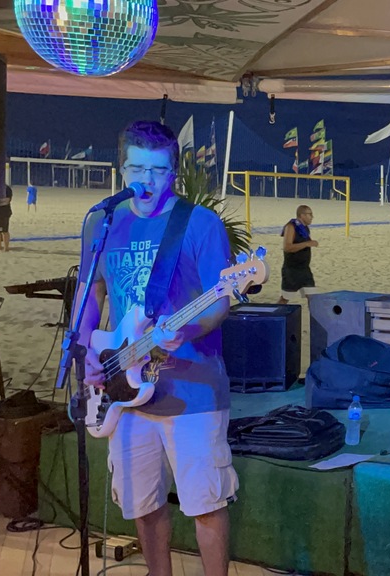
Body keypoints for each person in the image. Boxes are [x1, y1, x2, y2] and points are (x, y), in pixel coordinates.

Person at [74, 121, 237, 576]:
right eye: (137, 168)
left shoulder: (199, 224)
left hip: (193, 390)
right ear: (121, 167)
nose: (147, 181)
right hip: (123, 388)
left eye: (158, 170)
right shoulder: (103, 223)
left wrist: (187, 329)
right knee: (142, 503)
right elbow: (91, 292)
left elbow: (220, 300)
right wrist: (87, 349)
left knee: (205, 503)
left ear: (174, 172)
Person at [279, 205, 317, 304]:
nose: (312, 217)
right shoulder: (291, 227)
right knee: (285, 298)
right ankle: (273, 313)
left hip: (304, 269)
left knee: (313, 298)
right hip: (292, 271)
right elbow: (287, 247)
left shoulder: (305, 228)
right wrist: (307, 244)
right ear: (302, 215)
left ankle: (316, 315)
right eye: (310, 214)